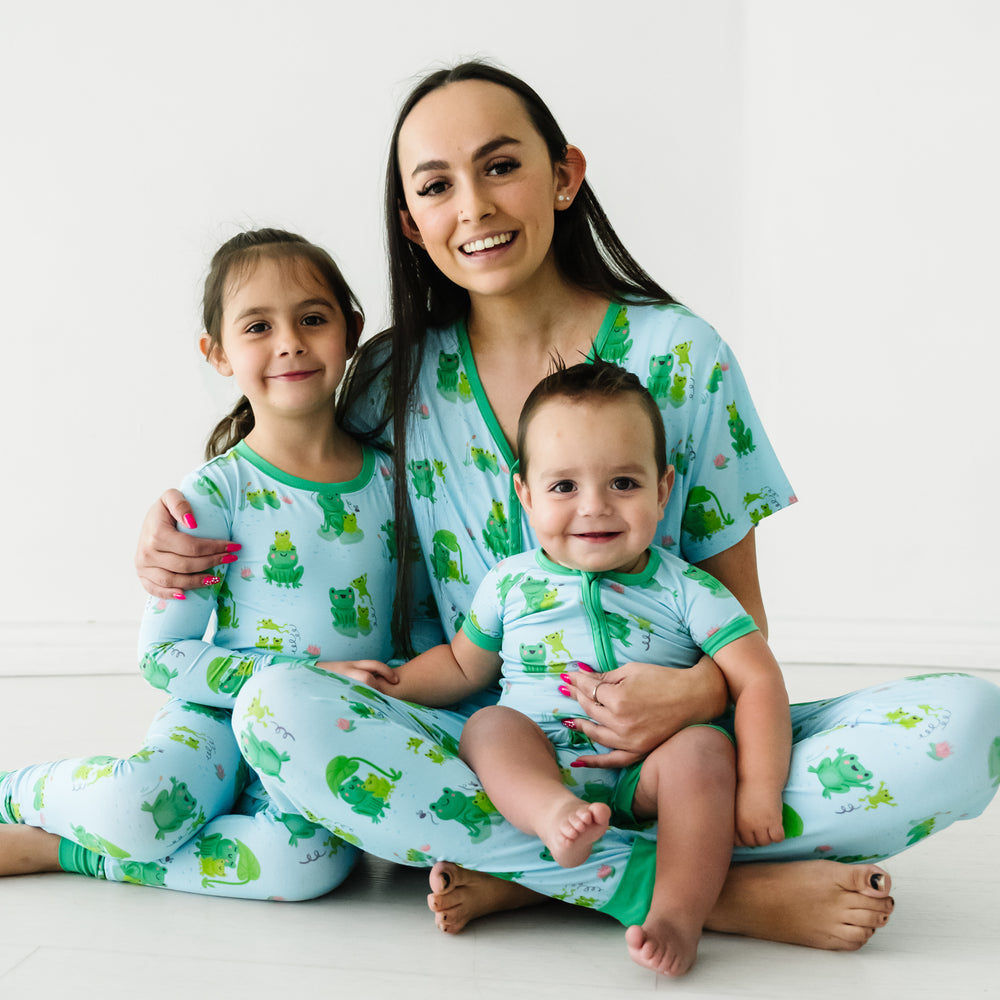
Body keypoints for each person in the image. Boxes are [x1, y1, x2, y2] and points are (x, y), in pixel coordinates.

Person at [134, 61, 1000, 950]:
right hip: (489, 749)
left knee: (968, 728)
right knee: (279, 709)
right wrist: (180, 529)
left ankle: (528, 875)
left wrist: (691, 694)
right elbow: (291, 462)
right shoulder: (391, 379)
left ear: (564, 175)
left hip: (678, 751)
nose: (473, 206)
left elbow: (742, 618)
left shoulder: (683, 355)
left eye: (501, 165)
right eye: (437, 186)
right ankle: (699, 894)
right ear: (412, 222)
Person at [0, 228, 425, 898]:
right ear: (218, 353)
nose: (289, 341)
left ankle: (72, 854)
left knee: (312, 866)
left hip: (322, 728)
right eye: (259, 325)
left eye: (313, 318)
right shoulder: (211, 497)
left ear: (352, 329)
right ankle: (18, 793)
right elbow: (164, 656)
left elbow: (419, 625)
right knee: (137, 809)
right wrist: (297, 674)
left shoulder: (397, 486)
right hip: (216, 714)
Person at [339, 359, 792, 976]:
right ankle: (552, 815)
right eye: (563, 487)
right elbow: (461, 665)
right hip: (540, 758)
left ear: (663, 491)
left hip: (650, 772)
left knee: (706, 754)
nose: (595, 508)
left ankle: (676, 916)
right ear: (524, 493)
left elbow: (757, 677)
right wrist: (393, 680)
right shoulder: (511, 583)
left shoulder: (686, 588)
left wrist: (761, 792)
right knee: (488, 727)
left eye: (625, 485)